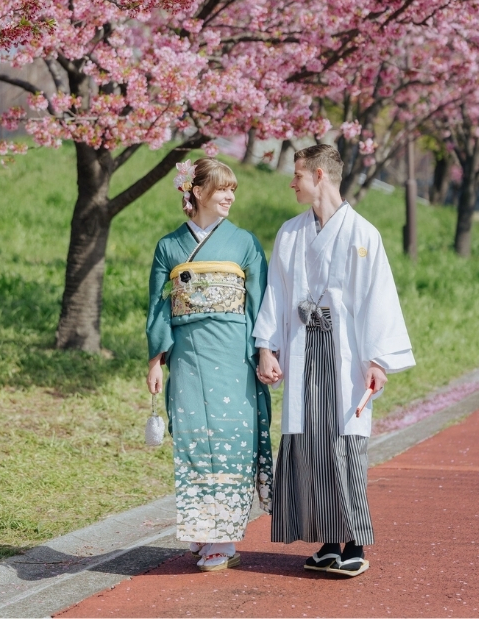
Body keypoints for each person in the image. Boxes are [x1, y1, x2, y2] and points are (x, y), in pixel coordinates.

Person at [253, 144, 415, 577]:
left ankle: (355, 543)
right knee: (308, 444)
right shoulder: (290, 233)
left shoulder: (364, 234)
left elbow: (377, 299)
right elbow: (276, 295)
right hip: (304, 347)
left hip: (346, 354)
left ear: (320, 175)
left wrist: (378, 360)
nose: (293, 182)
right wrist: (268, 348)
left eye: (298, 175)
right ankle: (327, 540)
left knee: (344, 445)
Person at [146, 156, 273, 573]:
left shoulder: (245, 243)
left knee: (230, 437)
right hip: (186, 354)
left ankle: (224, 537)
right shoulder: (169, 246)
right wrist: (155, 360)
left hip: (232, 352)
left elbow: (261, 305)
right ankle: (204, 529)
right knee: (194, 439)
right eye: (222, 189)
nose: (230, 197)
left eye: (233, 190)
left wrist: (265, 351)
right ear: (197, 191)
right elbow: (158, 307)